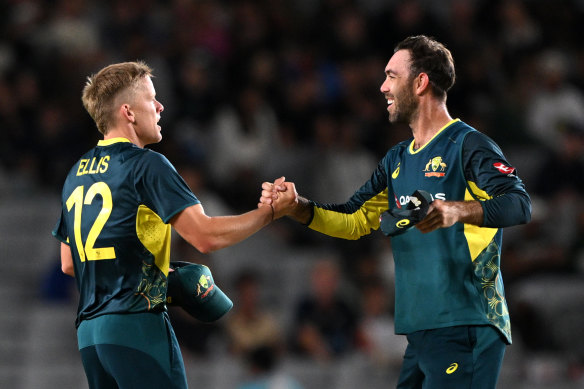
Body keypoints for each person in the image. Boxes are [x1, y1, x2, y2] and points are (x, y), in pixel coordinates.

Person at [262, 35, 531, 389]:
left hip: (466, 322)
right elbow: (355, 220)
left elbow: (518, 203)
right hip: (421, 330)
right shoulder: (397, 160)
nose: (382, 86)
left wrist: (457, 210)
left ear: (420, 83)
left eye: (392, 76)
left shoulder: (467, 145)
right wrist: (297, 208)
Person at [51, 61, 294, 389]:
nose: (160, 106)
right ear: (129, 112)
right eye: (151, 98)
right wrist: (269, 214)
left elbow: (69, 264)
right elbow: (205, 237)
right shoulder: (147, 165)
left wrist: (148, 271)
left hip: (91, 335)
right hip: (136, 324)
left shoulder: (75, 174)